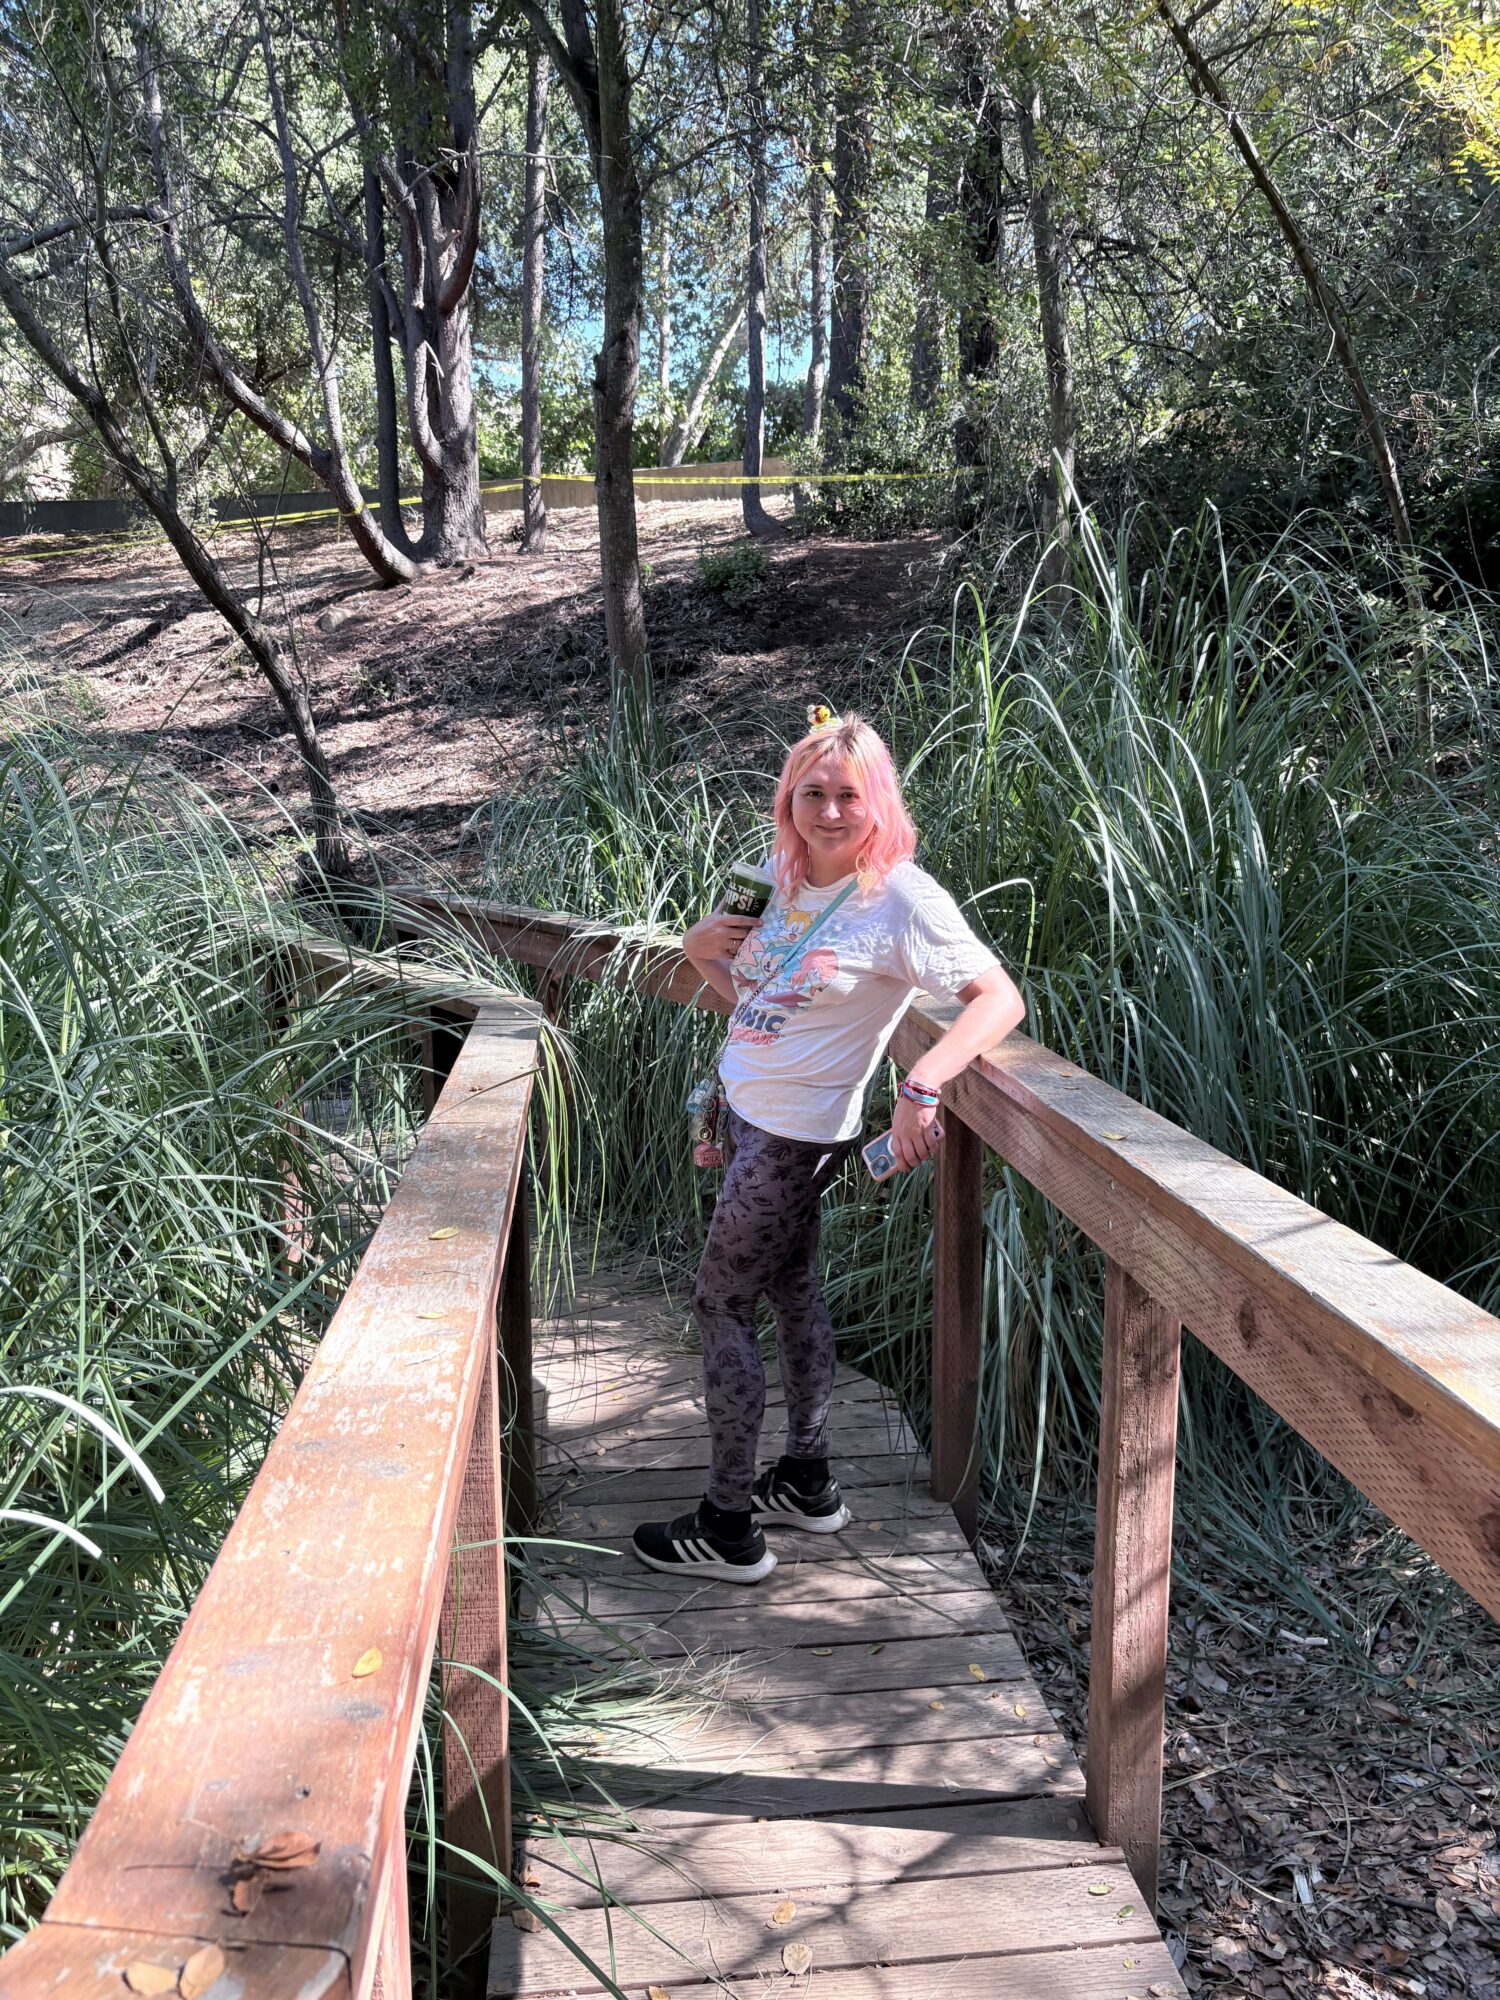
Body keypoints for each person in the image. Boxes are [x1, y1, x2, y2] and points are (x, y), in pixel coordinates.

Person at [632, 706, 1026, 1583]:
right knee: (793, 1289)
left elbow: (998, 1000)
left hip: (797, 1136)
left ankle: (728, 1525)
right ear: (789, 799)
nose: (831, 811)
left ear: (878, 799)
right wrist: (700, 955)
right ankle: (806, 1480)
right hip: (746, 1114)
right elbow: (761, 1004)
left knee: (721, 1305)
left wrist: (923, 1085)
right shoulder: (782, 877)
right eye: (813, 792)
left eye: (849, 794)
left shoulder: (902, 899)